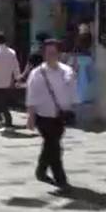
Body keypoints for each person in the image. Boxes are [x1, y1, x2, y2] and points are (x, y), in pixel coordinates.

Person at [26, 39, 78, 192]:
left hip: (60, 117)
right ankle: (60, 179)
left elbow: (71, 89)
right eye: (48, 53)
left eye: (54, 53)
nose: (51, 56)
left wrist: (73, 105)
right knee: (54, 146)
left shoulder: (66, 70)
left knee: (50, 145)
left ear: (59, 54)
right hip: (43, 116)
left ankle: (41, 171)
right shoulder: (37, 73)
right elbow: (31, 96)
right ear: (43, 54)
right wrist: (31, 116)